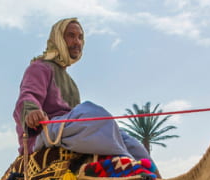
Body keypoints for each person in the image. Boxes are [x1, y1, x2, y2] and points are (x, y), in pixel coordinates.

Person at [14, 18, 149, 160]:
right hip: (45, 132)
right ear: (58, 38)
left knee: (128, 140)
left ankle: (156, 179)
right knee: (92, 112)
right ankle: (128, 163)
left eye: (80, 37)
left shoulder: (71, 83)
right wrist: (32, 112)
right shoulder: (40, 67)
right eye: (71, 36)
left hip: (69, 130)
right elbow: (28, 95)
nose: (77, 42)